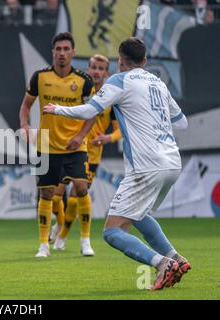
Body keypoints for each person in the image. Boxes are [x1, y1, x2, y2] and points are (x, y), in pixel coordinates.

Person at [43, 37, 191, 290]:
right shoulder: (159, 84)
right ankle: (177, 258)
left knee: (112, 232)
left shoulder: (119, 80)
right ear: (144, 61)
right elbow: (182, 122)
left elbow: (89, 110)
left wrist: (57, 109)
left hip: (147, 166)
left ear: (120, 60)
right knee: (139, 215)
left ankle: (162, 263)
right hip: (172, 163)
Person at [19, 32, 95, 258]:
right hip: (46, 145)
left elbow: (91, 113)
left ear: (73, 52)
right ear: (53, 52)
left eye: (66, 49)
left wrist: (81, 136)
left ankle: (85, 241)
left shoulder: (84, 80)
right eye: (58, 49)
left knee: (81, 188)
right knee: (46, 194)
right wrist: (24, 125)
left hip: (75, 146)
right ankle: (43, 245)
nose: (62, 53)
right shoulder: (39, 77)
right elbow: (25, 105)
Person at [51, 54, 122, 255]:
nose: (97, 72)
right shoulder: (80, 88)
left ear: (107, 73)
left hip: (91, 155)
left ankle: (71, 238)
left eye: (101, 68)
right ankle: (59, 225)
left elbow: (119, 130)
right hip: (69, 149)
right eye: (94, 68)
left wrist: (108, 138)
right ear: (88, 69)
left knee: (76, 197)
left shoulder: (111, 99)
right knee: (56, 197)